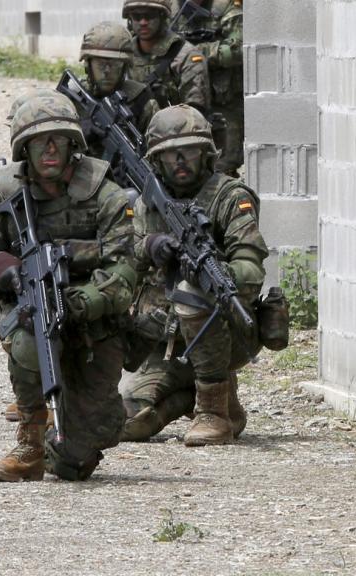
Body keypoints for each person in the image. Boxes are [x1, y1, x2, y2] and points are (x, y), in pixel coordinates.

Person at [0, 92, 137, 481]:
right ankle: (30, 442)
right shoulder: (1, 195)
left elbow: (124, 276)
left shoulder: (105, 195)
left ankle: (66, 439)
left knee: (77, 461)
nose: (50, 149)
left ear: (75, 144)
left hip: (94, 325)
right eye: (40, 141)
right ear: (25, 148)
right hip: (34, 314)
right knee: (27, 337)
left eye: (59, 139)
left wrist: (78, 302)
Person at [121, 104, 266, 446]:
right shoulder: (144, 205)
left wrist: (217, 274)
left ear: (206, 154)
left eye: (189, 152)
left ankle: (215, 410)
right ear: (156, 161)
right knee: (124, 424)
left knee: (194, 288)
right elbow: (119, 263)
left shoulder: (230, 197)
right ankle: (190, 398)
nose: (181, 162)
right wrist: (150, 247)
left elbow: (251, 265)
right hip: (162, 342)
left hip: (223, 335)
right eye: (171, 155)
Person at [170, 0, 244, 176]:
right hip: (178, 103)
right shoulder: (169, 8)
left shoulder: (224, 7)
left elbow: (239, 49)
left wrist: (195, 52)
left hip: (222, 104)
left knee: (222, 168)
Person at [77, 21, 159, 159]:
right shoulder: (72, 97)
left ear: (125, 67)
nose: (107, 71)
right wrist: (77, 134)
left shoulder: (141, 100)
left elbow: (159, 152)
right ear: (88, 64)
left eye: (115, 64)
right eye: (100, 64)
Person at [122, 0, 211, 114]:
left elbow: (195, 116)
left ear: (162, 17)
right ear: (130, 19)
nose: (143, 22)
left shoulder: (186, 56)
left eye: (150, 16)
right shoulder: (123, 55)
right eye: (136, 16)